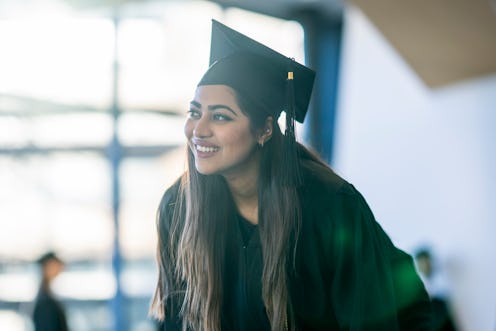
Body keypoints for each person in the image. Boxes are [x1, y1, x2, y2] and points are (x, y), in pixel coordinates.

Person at [150, 19, 432, 331]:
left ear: (265, 130)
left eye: (220, 116)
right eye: (194, 112)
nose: (198, 130)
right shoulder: (178, 207)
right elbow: (175, 321)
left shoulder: (329, 208)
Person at [415, 248, 457, 331]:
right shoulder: (418, 282)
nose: (424, 265)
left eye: (426, 262)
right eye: (421, 263)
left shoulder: (442, 278)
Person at [32, 251, 69, 331]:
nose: (60, 268)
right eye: (55, 265)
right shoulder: (45, 301)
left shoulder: (46, 294)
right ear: (47, 267)